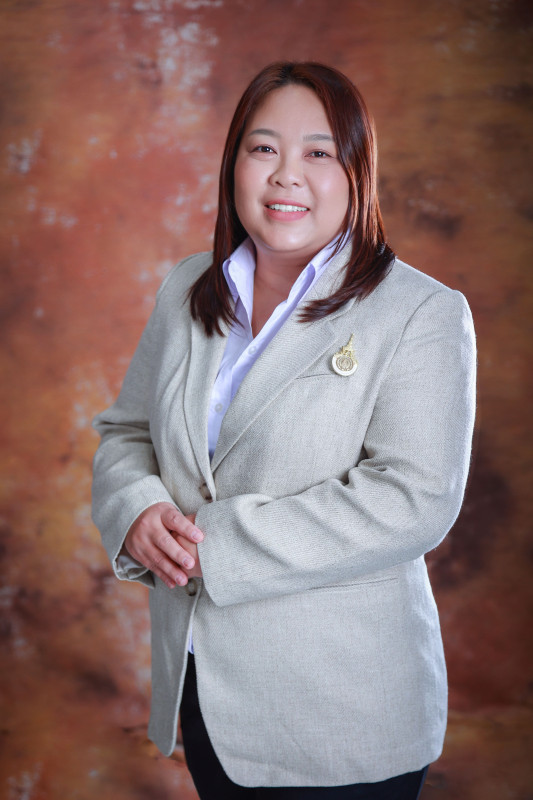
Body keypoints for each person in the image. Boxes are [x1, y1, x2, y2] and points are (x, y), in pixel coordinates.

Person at [91, 62, 476, 799]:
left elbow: (414, 499)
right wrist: (135, 508)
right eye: (263, 148)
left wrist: (211, 546)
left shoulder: (420, 313)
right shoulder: (186, 288)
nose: (285, 175)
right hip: (204, 694)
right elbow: (126, 430)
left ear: (357, 172)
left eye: (318, 152)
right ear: (233, 164)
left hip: (342, 714)